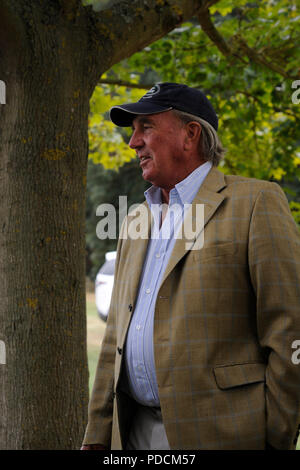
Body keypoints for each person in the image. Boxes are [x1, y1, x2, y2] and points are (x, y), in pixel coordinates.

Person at [82, 82, 300, 450]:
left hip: (224, 436)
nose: (133, 142)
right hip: (131, 436)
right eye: (133, 131)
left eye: (145, 127)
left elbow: (289, 327)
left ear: (190, 134)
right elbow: (113, 340)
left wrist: (275, 435)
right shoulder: (136, 220)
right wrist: (98, 436)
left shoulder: (256, 201)